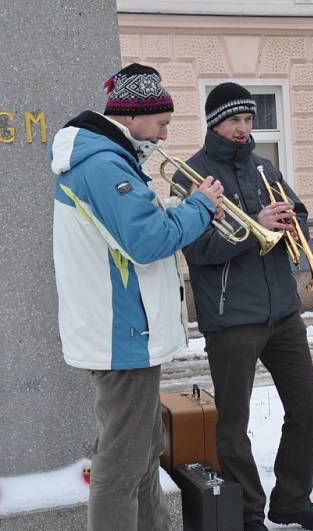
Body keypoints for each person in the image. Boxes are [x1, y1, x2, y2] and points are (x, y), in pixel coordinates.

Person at [51, 63, 224, 530]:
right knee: (122, 462)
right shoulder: (104, 164)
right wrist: (200, 206)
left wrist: (174, 209)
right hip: (121, 332)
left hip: (126, 330)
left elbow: (132, 232)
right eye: (162, 124)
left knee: (144, 450)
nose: (165, 137)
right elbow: (147, 242)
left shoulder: (110, 159)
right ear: (132, 117)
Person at [174, 82, 313, 531]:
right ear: (214, 123)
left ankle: (293, 500)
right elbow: (199, 248)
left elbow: (300, 214)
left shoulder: (265, 166)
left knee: (306, 408)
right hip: (231, 319)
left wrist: (290, 221)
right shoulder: (191, 176)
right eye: (234, 121)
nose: (244, 129)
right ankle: (248, 514)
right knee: (233, 425)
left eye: (248, 120)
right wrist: (255, 229)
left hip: (282, 311)